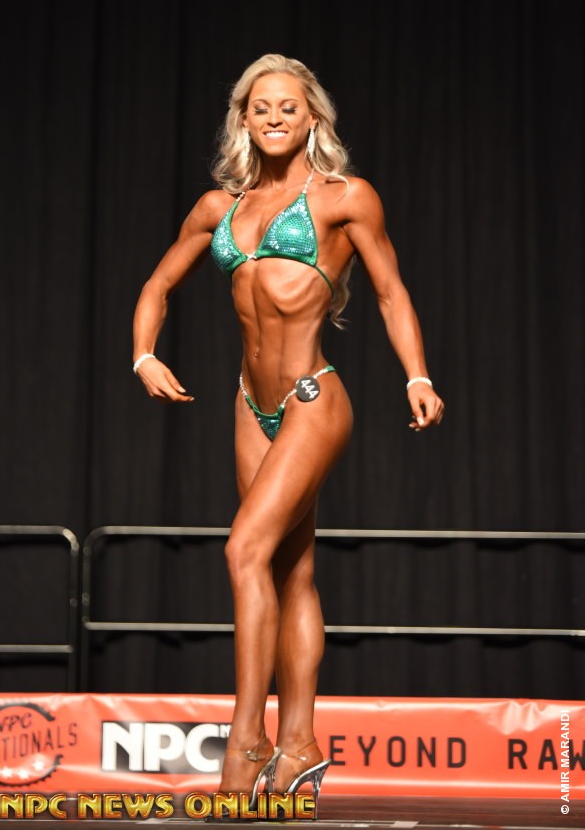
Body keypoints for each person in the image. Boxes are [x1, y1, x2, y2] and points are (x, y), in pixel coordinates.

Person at [132, 54, 444, 810]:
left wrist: (417, 375)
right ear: (243, 120)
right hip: (251, 404)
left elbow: (390, 291)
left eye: (288, 107)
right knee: (289, 571)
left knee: (243, 549)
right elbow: (158, 284)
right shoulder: (219, 207)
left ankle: (247, 738)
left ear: (312, 119)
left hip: (312, 396)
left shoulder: (343, 197)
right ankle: (300, 742)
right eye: (260, 107)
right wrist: (143, 354)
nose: (274, 117)